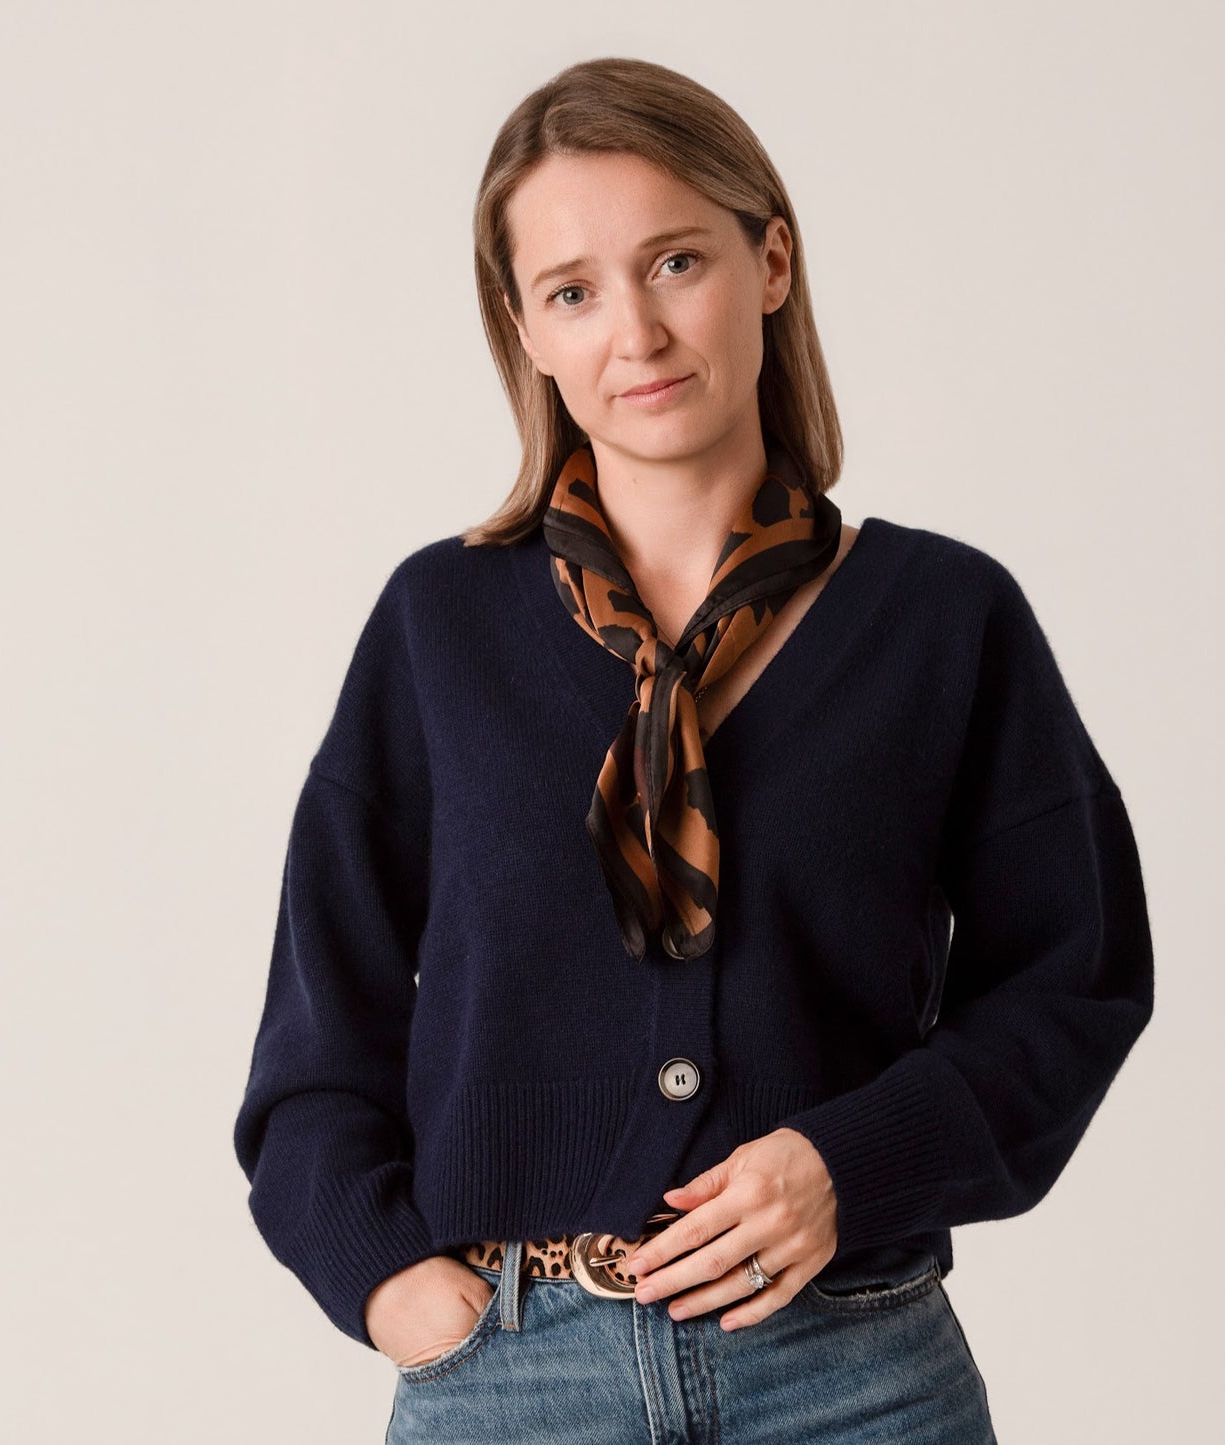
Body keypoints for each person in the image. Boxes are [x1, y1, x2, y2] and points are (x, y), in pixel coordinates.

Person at [232, 55, 1155, 1444]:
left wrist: (849, 1161)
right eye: (573, 290)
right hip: (510, 1375)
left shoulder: (940, 617)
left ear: (769, 260)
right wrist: (386, 1280)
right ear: (525, 331)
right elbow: (317, 1034)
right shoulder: (440, 625)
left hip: (855, 1372)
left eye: (675, 261)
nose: (637, 332)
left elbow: (1072, 979)